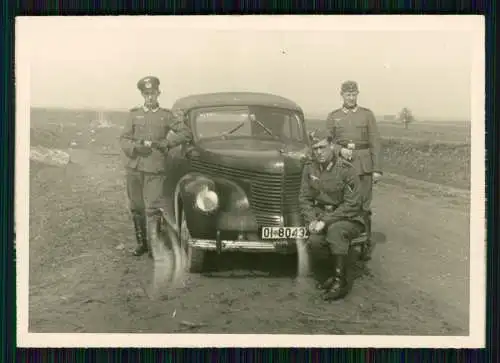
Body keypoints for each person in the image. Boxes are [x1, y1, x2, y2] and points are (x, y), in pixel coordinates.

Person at [119, 76, 193, 258]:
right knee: (136, 207)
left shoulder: (166, 116)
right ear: (142, 95)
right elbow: (123, 139)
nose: (149, 98)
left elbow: (186, 133)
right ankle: (142, 244)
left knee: (152, 208)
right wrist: (135, 147)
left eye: (152, 94)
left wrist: (167, 143)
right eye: (146, 94)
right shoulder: (133, 114)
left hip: (155, 167)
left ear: (158, 93)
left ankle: (154, 246)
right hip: (134, 167)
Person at [299, 129, 365, 301]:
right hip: (322, 216)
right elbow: (304, 198)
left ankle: (340, 282)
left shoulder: (346, 169)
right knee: (314, 241)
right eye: (315, 148)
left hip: (348, 218)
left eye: (322, 147)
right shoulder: (310, 168)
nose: (319, 152)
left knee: (335, 231)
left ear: (332, 146)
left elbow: (352, 204)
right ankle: (332, 274)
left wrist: (325, 221)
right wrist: (311, 220)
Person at [325, 80, 382, 261]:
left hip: (363, 166)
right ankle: (339, 241)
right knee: (340, 203)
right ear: (341, 95)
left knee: (363, 206)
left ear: (357, 94)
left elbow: (375, 143)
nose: (351, 98)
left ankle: (365, 243)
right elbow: (327, 142)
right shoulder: (334, 116)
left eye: (353, 94)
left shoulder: (367, 115)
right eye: (347, 94)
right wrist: (339, 150)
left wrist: (377, 169)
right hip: (342, 165)